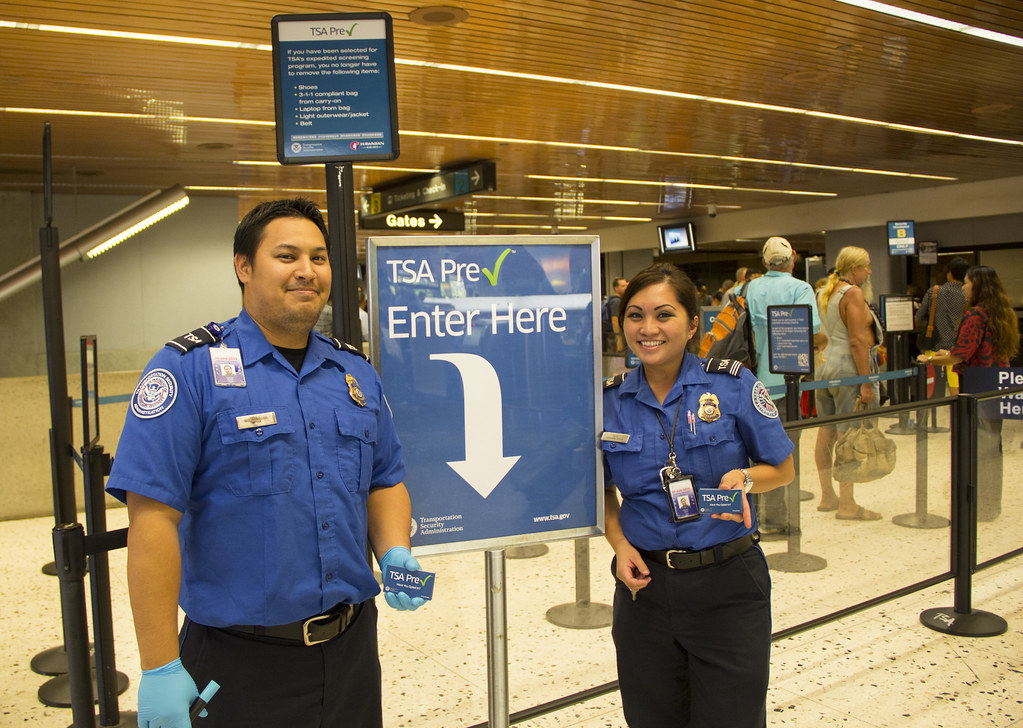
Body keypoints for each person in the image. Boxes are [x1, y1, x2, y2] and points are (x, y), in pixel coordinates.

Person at [106, 198, 425, 728]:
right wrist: (159, 665)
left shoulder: (353, 373)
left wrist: (395, 551)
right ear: (244, 267)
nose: (307, 270)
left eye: (319, 258)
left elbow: (384, 479)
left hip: (351, 652)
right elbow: (152, 518)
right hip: (238, 663)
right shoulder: (189, 370)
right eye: (287, 256)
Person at [602, 263, 795, 727]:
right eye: (635, 315)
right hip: (644, 589)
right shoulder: (609, 401)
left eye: (664, 315)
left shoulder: (732, 384)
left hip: (727, 584)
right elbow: (601, 489)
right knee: (651, 717)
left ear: (692, 325)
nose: (648, 328)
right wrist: (620, 544)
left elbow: (782, 468)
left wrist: (745, 479)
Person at [918, 265, 1020, 520]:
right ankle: (990, 505)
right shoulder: (1002, 312)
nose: (963, 287)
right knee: (992, 447)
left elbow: (959, 356)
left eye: (966, 283)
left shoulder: (975, 316)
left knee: (976, 449)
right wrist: (950, 353)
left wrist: (930, 359)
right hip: (995, 384)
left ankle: (977, 508)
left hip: (974, 387)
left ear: (978, 286)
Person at [743, 237, 827, 534]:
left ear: (764, 262)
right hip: (785, 383)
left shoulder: (749, 288)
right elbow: (810, 330)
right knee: (784, 454)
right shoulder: (800, 289)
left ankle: (754, 518)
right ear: (793, 259)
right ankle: (778, 521)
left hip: (752, 382)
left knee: (754, 451)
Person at [813, 246, 884, 521]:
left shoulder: (823, 292)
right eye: (866, 266)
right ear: (854, 269)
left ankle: (827, 496)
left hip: (823, 369)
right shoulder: (852, 293)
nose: (869, 272)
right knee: (847, 435)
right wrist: (866, 382)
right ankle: (847, 504)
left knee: (826, 431)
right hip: (847, 371)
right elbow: (857, 341)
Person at [914, 256, 968, 395]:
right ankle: (957, 409)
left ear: (949, 273)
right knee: (957, 389)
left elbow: (919, 317)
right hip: (957, 351)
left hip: (935, 347)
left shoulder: (935, 291)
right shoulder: (967, 294)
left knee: (932, 391)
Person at [604, 276, 628, 353]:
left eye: (626, 285)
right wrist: (619, 339)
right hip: (614, 336)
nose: (626, 288)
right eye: (623, 286)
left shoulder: (613, 300)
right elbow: (615, 320)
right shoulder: (616, 301)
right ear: (616, 288)